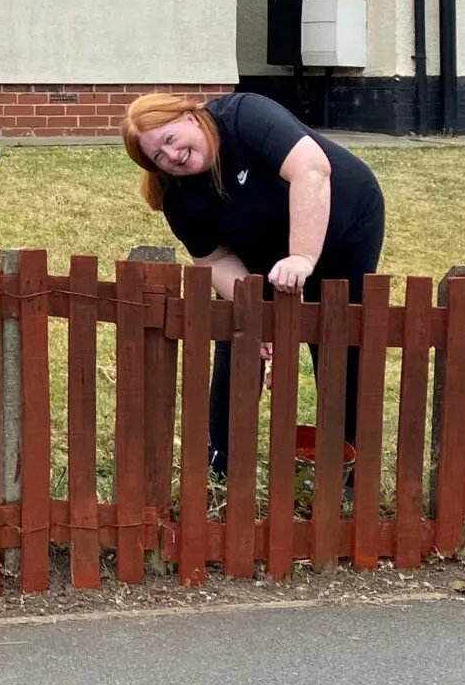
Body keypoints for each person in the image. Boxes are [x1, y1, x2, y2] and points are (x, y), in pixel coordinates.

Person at [121, 89, 387, 475]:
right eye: (159, 157)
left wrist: (302, 258)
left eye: (171, 139)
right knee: (240, 334)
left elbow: (311, 169)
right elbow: (214, 259)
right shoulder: (177, 197)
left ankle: (347, 465)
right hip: (261, 246)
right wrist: (257, 313)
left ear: (191, 117)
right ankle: (224, 461)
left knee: (339, 334)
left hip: (343, 222)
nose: (172, 156)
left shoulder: (245, 115)